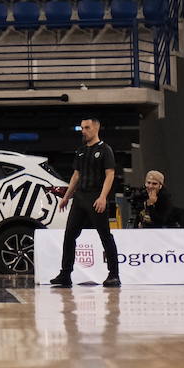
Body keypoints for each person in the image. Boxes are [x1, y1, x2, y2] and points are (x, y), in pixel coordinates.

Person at [50, 117, 120, 289]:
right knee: (69, 235)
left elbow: (110, 174)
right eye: (81, 128)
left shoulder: (105, 149)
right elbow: (76, 175)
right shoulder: (80, 151)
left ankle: (114, 275)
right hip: (80, 199)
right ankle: (65, 275)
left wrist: (103, 197)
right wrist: (66, 196)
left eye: (86, 127)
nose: (83, 131)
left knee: (105, 236)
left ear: (96, 128)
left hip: (96, 198)